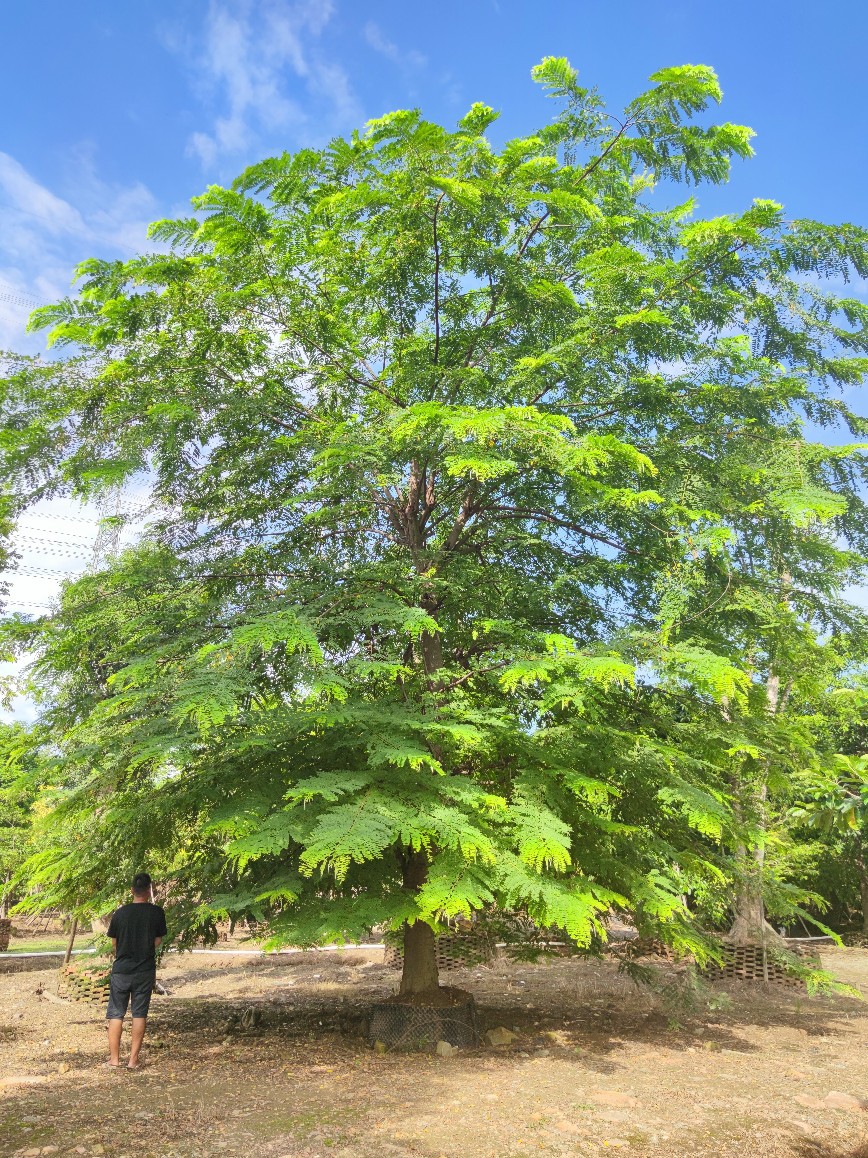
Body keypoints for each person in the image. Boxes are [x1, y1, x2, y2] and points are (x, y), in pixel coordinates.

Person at [105, 872, 167, 1070]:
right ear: (149, 891)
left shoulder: (120, 913)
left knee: (116, 1013)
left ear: (132, 890)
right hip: (144, 969)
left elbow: (114, 942)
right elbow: (158, 940)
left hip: (121, 970)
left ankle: (114, 1060)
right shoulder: (157, 912)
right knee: (139, 1013)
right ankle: (133, 1060)